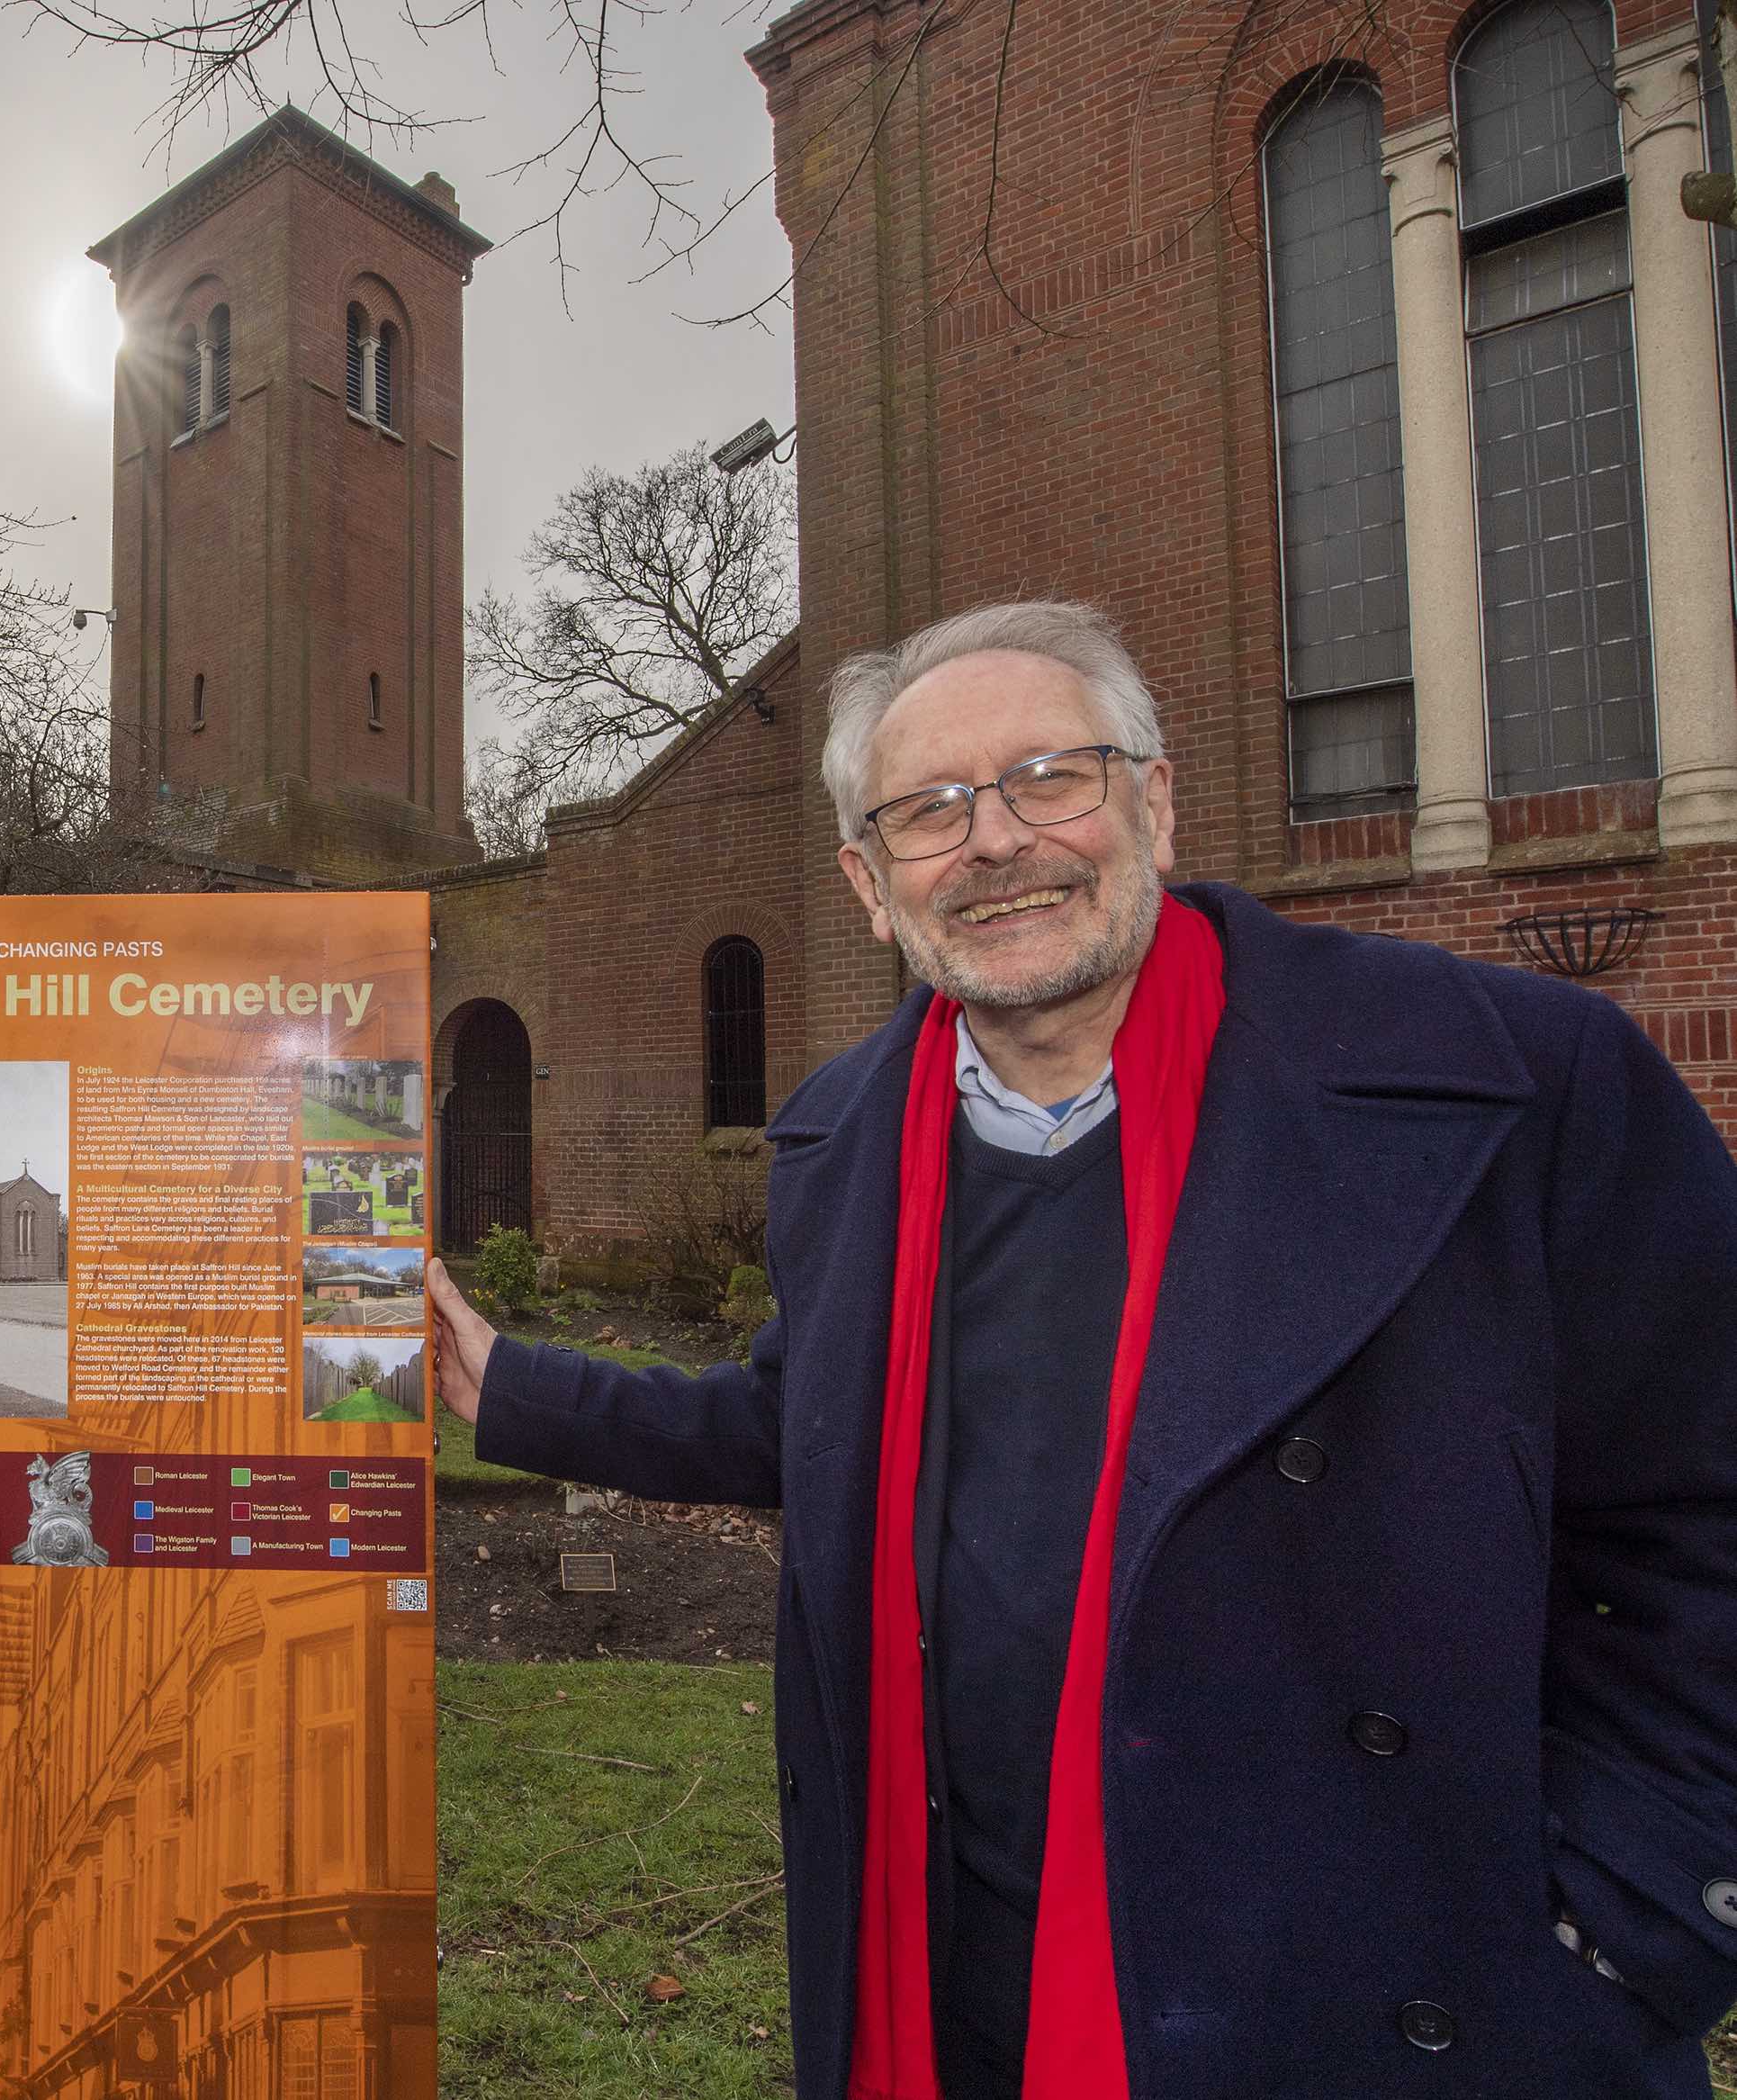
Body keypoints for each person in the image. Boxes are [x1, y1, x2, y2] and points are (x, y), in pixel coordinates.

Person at [424, 601, 1737, 2099]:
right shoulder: (852, 1143)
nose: (993, 842)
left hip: (1391, 2000)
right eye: (928, 810)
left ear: (1156, 802)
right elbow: (810, 1420)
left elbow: (1703, 1515)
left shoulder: (1507, 1085)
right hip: (968, 1986)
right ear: (868, 883)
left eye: (1052, 774)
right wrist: (503, 1380)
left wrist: (1622, 1923)